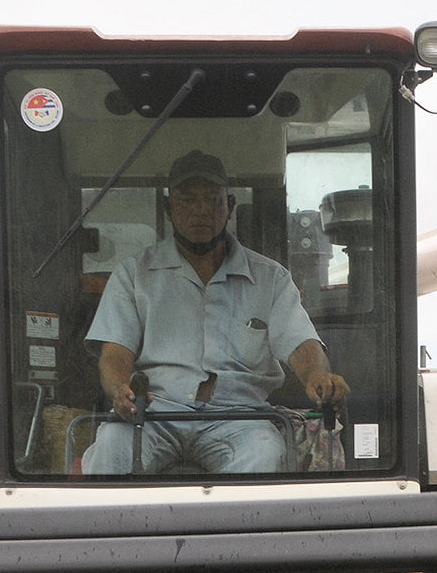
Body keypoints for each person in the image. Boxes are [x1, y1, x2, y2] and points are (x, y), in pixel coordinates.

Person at [82, 151, 349, 474]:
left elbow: (302, 345)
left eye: (213, 200)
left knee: (265, 454)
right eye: (187, 199)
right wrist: (120, 390)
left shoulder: (270, 278)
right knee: (110, 447)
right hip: (154, 414)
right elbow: (114, 354)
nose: (201, 210)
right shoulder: (134, 274)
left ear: (231, 206)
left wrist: (317, 376)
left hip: (240, 419)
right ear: (169, 208)